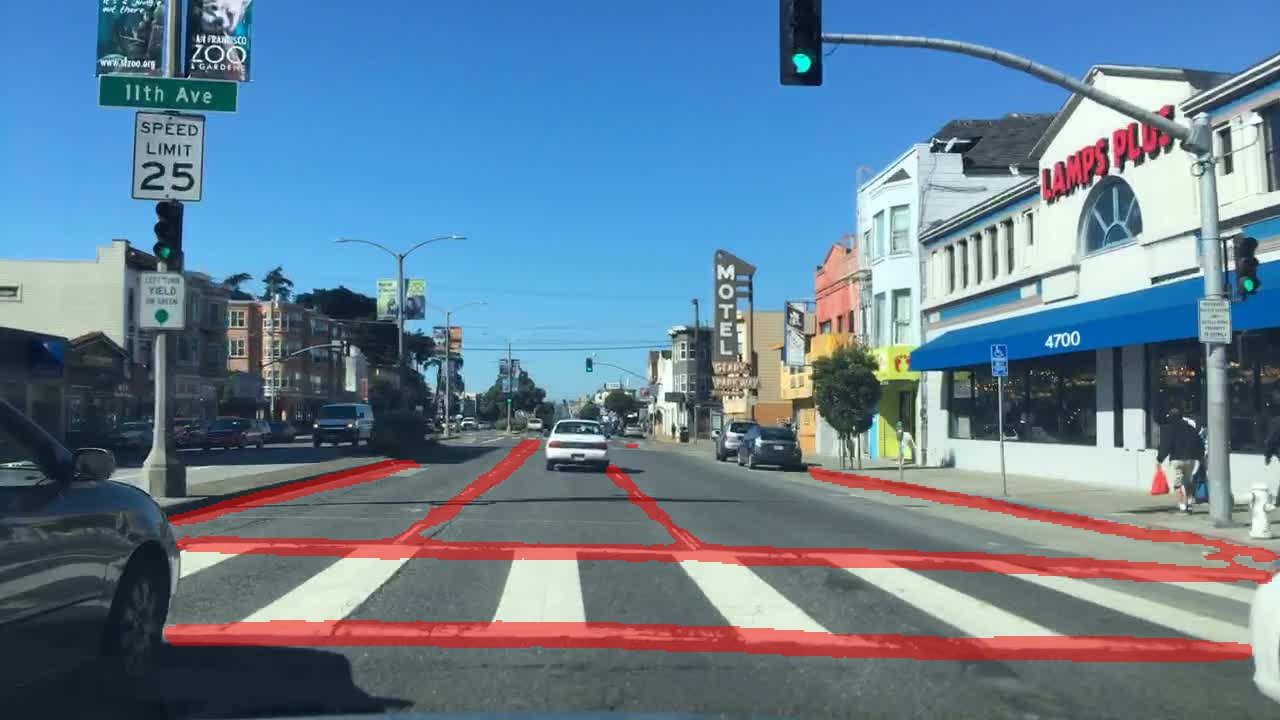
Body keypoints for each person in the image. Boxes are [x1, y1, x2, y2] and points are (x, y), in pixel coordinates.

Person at [1156, 406, 1204, 513]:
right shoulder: (1190, 428)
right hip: (1191, 459)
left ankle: (1182, 505)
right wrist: (1200, 457)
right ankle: (1189, 503)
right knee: (1188, 482)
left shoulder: (1169, 429)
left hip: (1176, 459)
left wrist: (1159, 459)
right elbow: (1198, 443)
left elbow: (1165, 446)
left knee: (1177, 484)